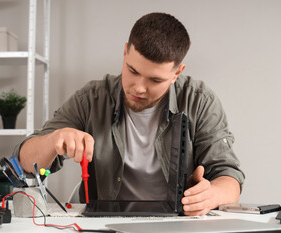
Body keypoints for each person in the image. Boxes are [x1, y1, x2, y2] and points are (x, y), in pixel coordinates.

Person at [14, 12, 245, 216]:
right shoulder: (92, 99)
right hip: (106, 227)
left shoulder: (199, 101)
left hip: (175, 224)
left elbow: (229, 176)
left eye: (155, 80)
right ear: (125, 52)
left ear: (177, 72)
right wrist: (54, 140)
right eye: (132, 71)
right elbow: (22, 162)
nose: (138, 88)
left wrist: (211, 195)